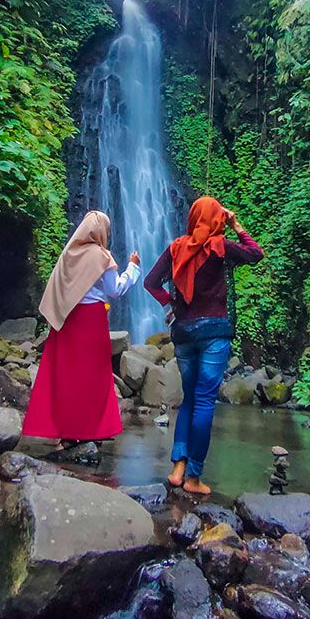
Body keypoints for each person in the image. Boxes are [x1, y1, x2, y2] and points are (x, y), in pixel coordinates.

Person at [144, 196, 264, 494]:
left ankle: (177, 468)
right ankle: (194, 477)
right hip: (214, 333)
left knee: (188, 399)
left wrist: (171, 301)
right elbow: (255, 253)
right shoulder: (220, 247)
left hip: (183, 333)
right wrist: (236, 225)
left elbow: (150, 282)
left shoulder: (175, 248)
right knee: (204, 401)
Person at [24, 211, 141, 446]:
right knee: (94, 374)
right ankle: (93, 428)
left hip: (67, 320)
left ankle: (67, 430)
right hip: (91, 320)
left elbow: (57, 286)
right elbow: (114, 290)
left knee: (67, 374)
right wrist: (132, 268)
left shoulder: (69, 254)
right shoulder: (102, 257)